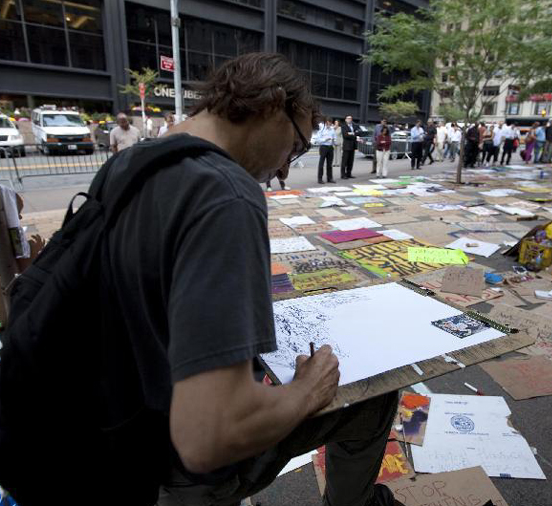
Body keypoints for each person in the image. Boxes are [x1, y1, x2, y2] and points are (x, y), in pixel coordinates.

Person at [21, 54, 400, 506]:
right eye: (295, 147)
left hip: (107, 427)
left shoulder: (131, 162)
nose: (283, 169)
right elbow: (210, 437)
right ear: (271, 108)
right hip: (180, 463)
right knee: (375, 398)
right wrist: (305, 392)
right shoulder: (226, 194)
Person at [317, 117, 337, 184]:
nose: (329, 124)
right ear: (326, 122)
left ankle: (330, 178)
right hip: (323, 147)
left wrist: (334, 141)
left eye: (330, 123)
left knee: (329, 164)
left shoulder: (332, 129)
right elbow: (318, 139)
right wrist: (325, 139)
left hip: (330, 147)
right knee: (321, 164)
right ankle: (320, 179)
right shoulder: (321, 129)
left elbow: (335, 137)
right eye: (328, 123)